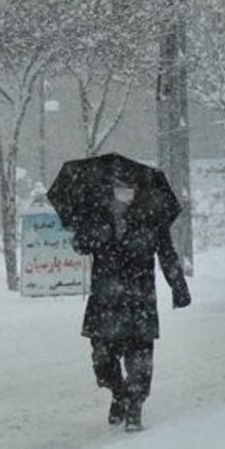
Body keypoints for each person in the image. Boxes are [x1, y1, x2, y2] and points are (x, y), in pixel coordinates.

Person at [71, 177, 192, 432]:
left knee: (140, 360)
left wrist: (178, 286)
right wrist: (90, 227)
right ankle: (118, 393)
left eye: (129, 188)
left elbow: (167, 254)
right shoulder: (98, 215)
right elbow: (80, 245)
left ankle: (135, 405)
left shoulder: (152, 217)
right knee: (102, 360)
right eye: (119, 188)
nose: (124, 194)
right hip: (104, 301)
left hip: (140, 300)